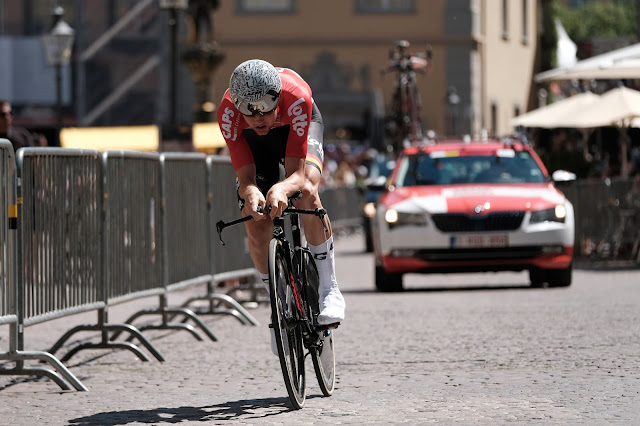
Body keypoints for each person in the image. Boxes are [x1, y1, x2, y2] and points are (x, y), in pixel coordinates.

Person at [216, 59, 346, 335]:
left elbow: (297, 175)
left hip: (296, 128)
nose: (259, 116)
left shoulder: (296, 98)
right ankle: (277, 306)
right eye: (250, 112)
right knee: (253, 216)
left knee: (306, 192)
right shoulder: (228, 113)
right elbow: (245, 179)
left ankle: (329, 288)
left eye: (265, 106)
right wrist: (250, 191)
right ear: (237, 106)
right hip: (256, 144)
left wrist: (281, 188)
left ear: (277, 98)